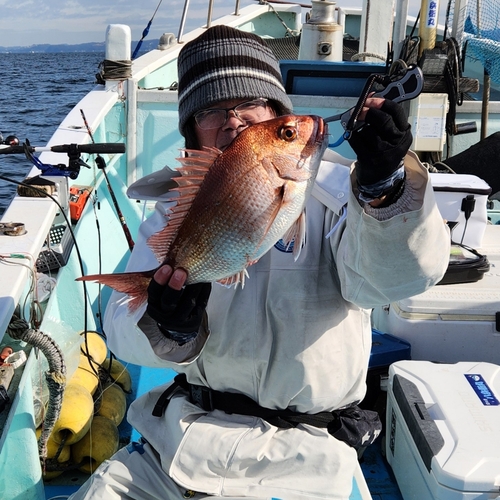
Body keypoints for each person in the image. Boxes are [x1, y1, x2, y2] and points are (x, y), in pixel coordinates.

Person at [69, 25, 450, 499]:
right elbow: (124, 335)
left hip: (306, 454)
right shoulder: (174, 212)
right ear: (192, 134)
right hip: (183, 439)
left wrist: (383, 190)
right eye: (210, 110)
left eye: (250, 103)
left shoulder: (342, 194)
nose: (233, 121)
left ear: (275, 113)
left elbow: (393, 281)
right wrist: (168, 329)